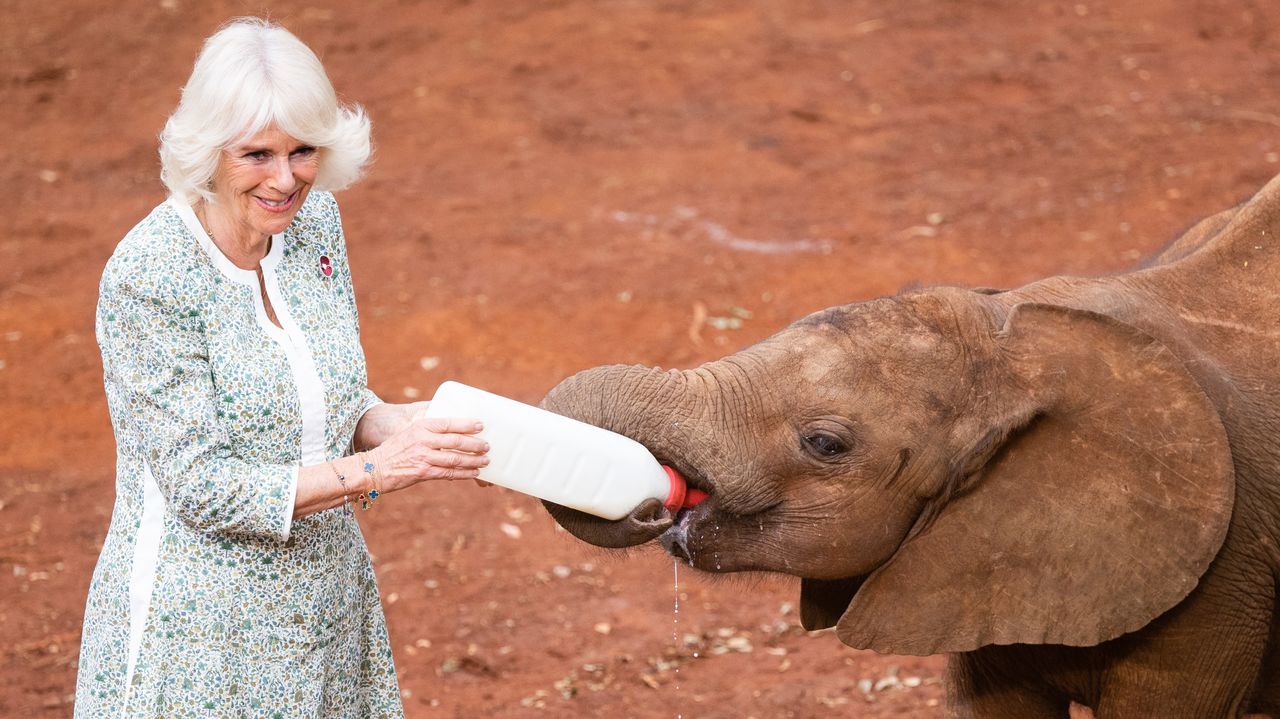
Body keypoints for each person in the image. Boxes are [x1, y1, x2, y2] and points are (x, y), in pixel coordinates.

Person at [74, 18, 489, 718]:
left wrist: (400, 422)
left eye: (303, 151)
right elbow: (204, 488)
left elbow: (327, 393)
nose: (285, 177)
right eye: (256, 154)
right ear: (208, 151)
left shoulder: (314, 224)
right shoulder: (148, 276)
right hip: (203, 634)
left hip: (324, 606)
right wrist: (380, 470)